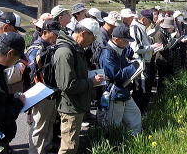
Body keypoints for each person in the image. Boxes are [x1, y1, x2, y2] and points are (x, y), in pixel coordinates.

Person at [54, 18, 104, 154]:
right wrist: (92, 82)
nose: (92, 42)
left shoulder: (76, 49)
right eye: (92, 39)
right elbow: (67, 85)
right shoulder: (66, 52)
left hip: (76, 104)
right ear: (83, 33)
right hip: (70, 107)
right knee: (68, 147)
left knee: (72, 145)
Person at [99, 26, 142, 135]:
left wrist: (132, 64)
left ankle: (135, 139)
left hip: (123, 91)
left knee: (135, 113)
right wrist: (134, 66)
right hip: (113, 93)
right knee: (113, 123)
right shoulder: (107, 54)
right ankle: (113, 146)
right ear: (116, 39)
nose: (128, 43)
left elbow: (123, 66)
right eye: (126, 41)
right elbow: (116, 75)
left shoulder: (119, 49)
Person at [26, 20, 61, 154]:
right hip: (40, 93)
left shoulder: (52, 47)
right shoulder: (35, 49)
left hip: (51, 92)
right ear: (45, 32)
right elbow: (30, 72)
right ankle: (35, 151)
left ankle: (46, 148)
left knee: (50, 122)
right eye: (55, 34)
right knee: (39, 126)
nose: (57, 37)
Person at [0, 32, 26, 154]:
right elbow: (1, 117)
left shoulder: (0, 69)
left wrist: (12, 97)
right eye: (17, 58)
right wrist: (18, 103)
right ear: (10, 53)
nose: (17, 61)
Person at [130, 10, 162, 113]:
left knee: (145, 90)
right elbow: (137, 48)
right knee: (141, 91)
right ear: (143, 19)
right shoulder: (135, 28)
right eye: (149, 21)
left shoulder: (141, 27)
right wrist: (152, 47)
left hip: (145, 62)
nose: (149, 24)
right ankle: (139, 114)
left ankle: (142, 113)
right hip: (140, 64)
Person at [153, 17, 175, 87]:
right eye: (172, 27)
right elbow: (160, 48)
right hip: (162, 60)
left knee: (168, 79)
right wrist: (170, 44)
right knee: (162, 80)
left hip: (168, 59)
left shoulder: (167, 34)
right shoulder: (159, 34)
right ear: (168, 27)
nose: (173, 29)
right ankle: (161, 95)